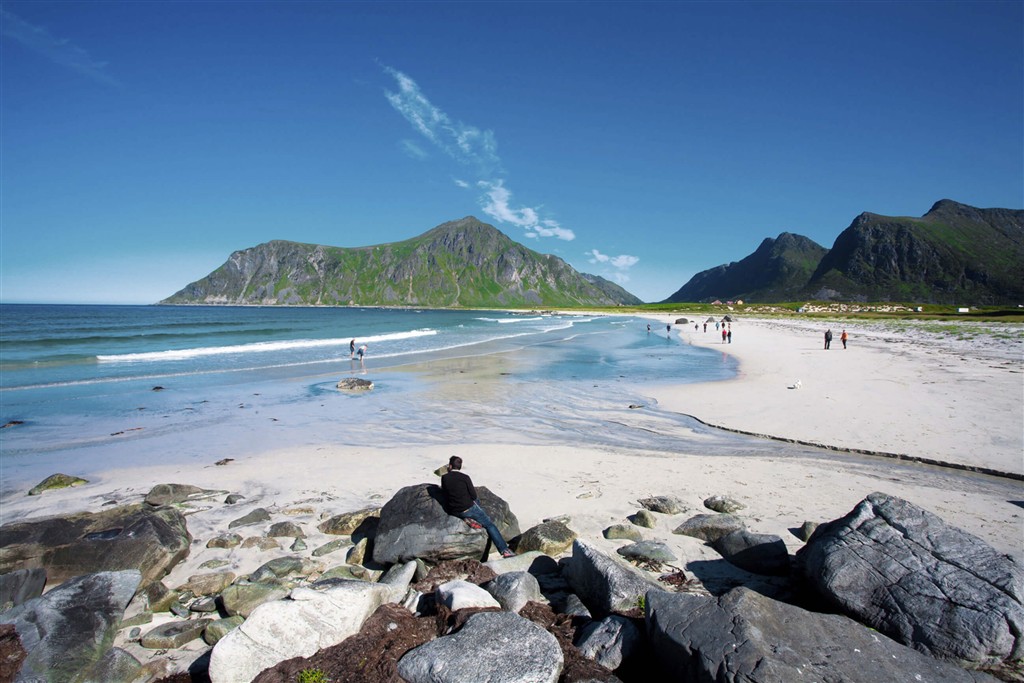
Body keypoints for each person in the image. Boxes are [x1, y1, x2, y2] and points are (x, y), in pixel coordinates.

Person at [440, 456, 514, 558]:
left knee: (468, 506)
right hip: (467, 509)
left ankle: (465, 518)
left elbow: (445, 493)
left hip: (454, 511)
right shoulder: (465, 477)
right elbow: (473, 496)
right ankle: (504, 550)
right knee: (489, 525)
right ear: (460, 467)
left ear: (450, 466)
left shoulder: (444, 478)